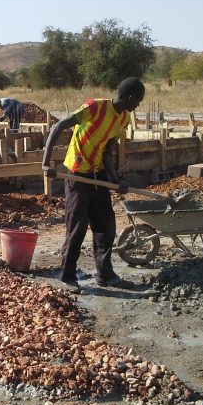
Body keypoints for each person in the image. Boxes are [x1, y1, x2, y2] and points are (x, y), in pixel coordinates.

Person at [41, 78, 146, 291]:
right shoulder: (95, 107)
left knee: (105, 226)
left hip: (98, 175)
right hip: (77, 174)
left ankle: (105, 274)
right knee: (76, 227)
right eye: (139, 101)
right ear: (129, 97)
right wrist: (46, 163)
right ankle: (67, 276)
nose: (138, 105)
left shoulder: (123, 119)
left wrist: (115, 181)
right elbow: (58, 126)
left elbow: (107, 151)